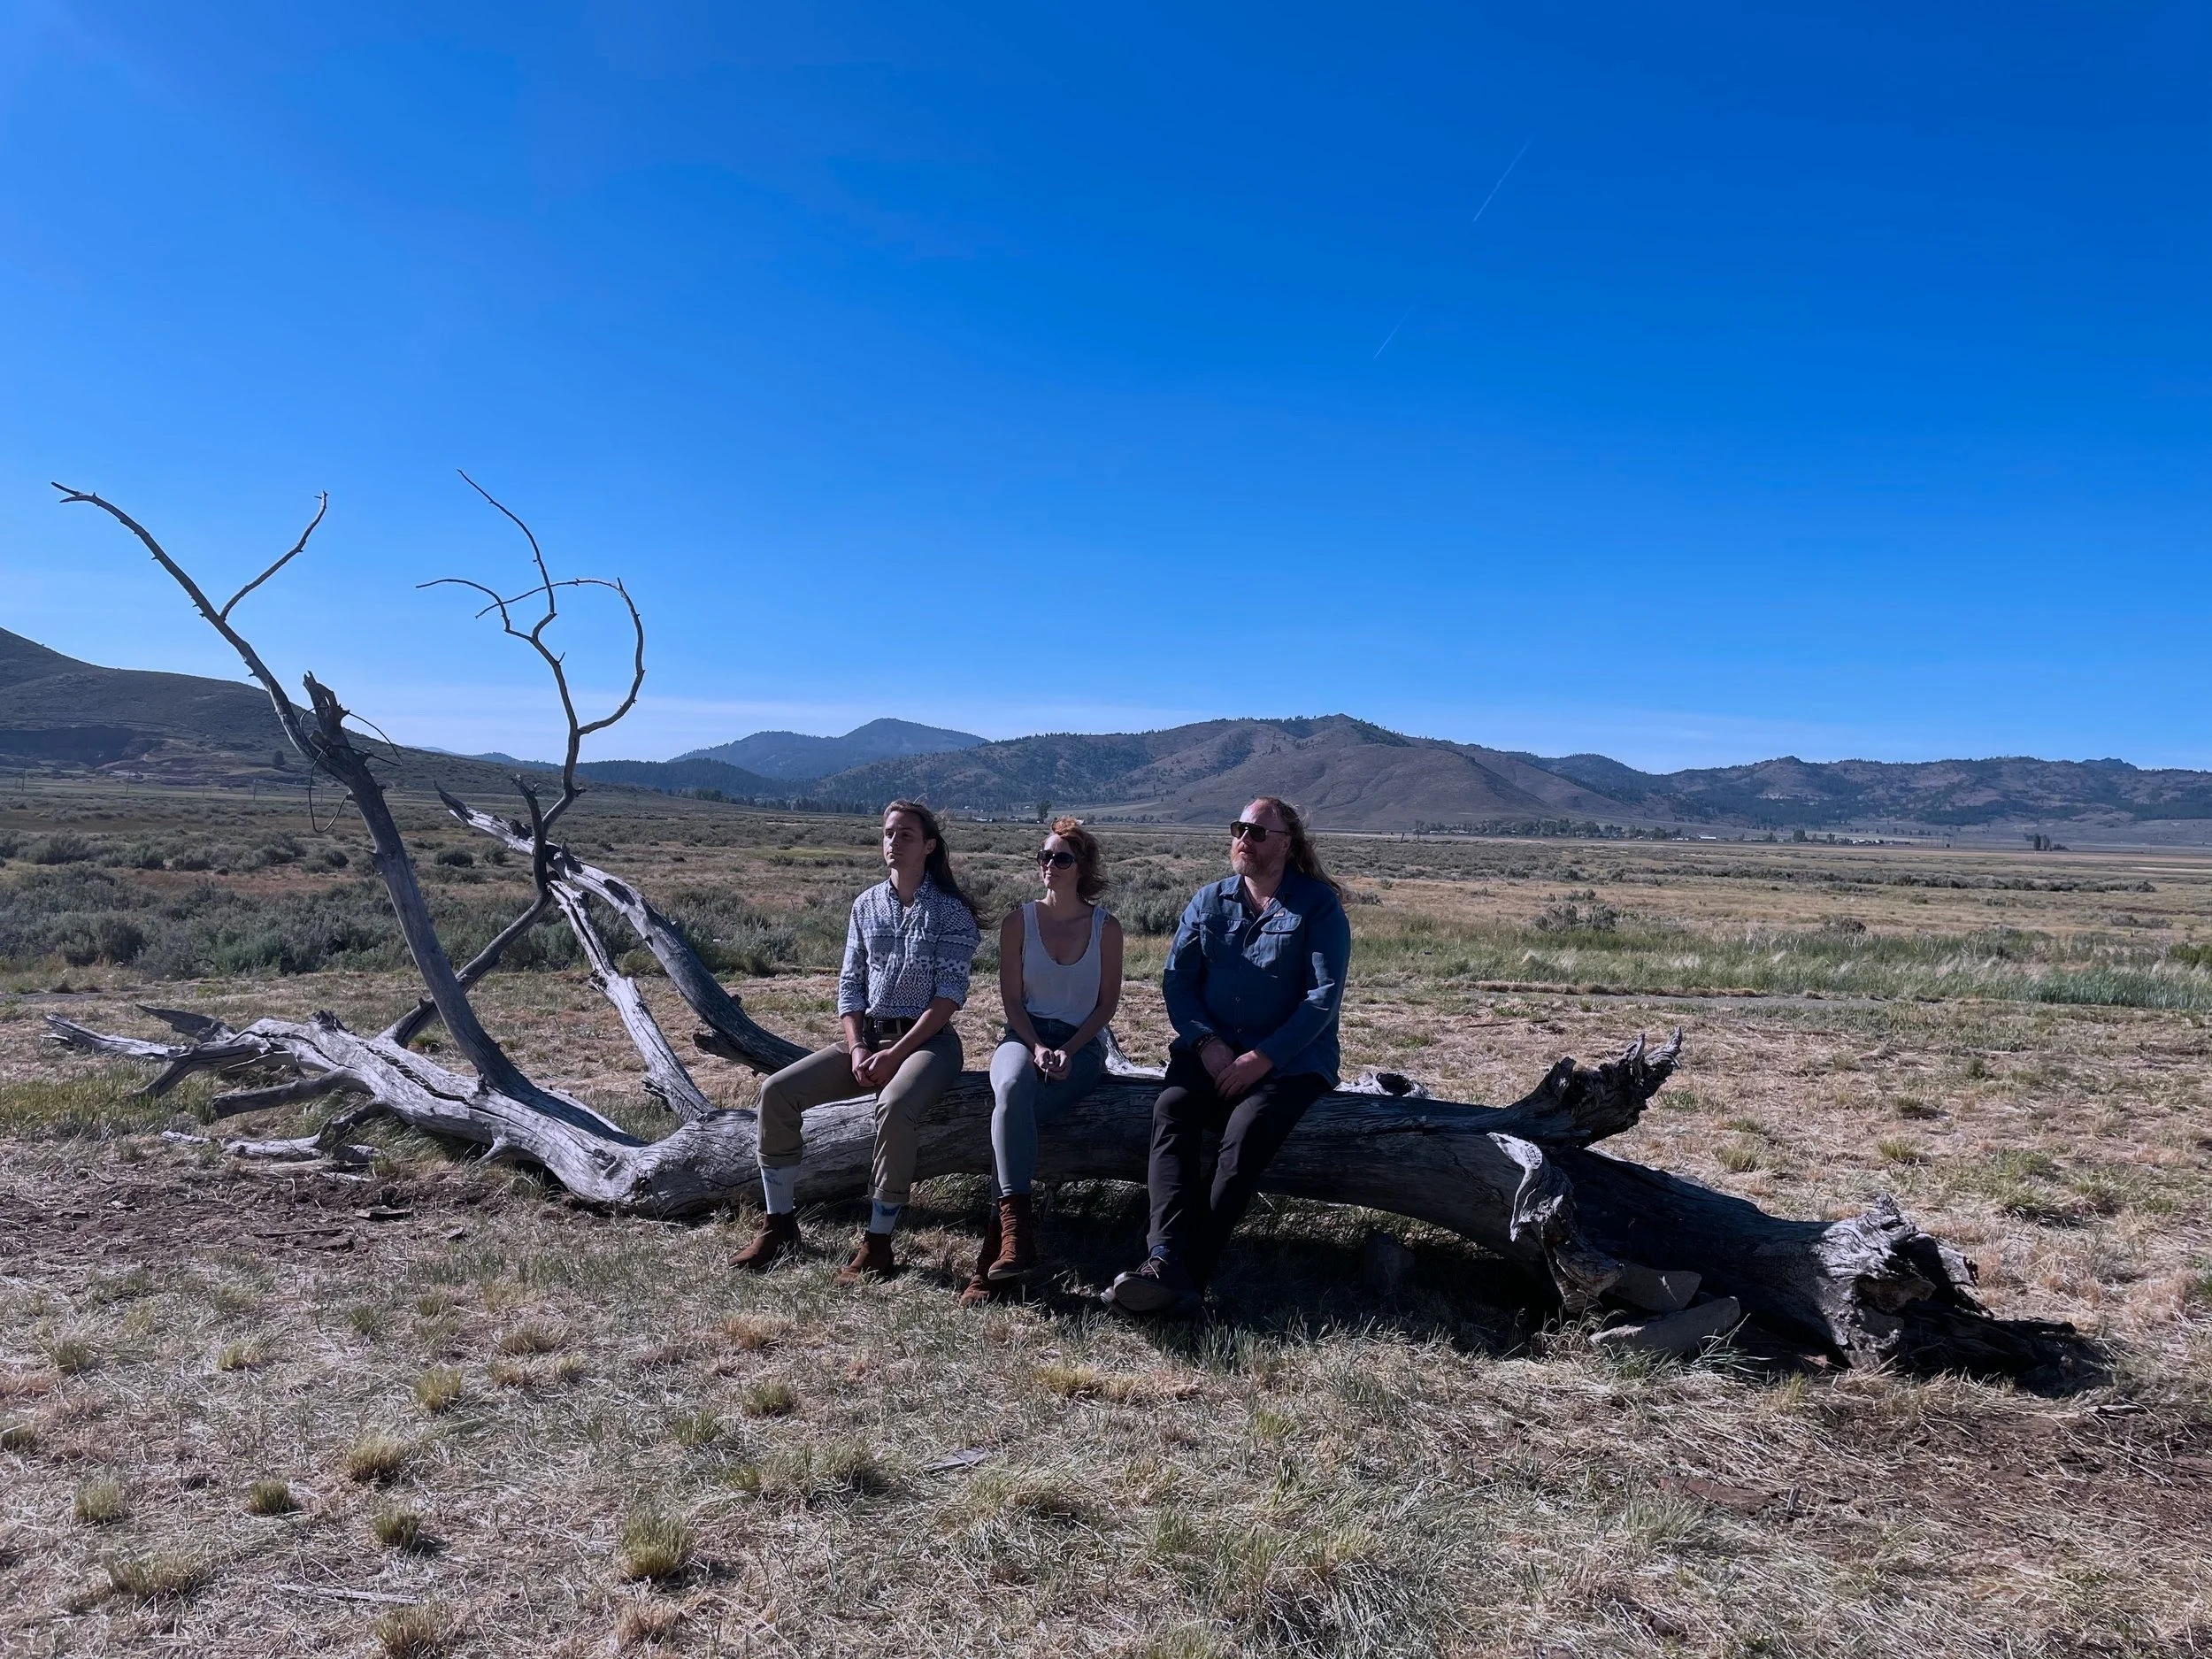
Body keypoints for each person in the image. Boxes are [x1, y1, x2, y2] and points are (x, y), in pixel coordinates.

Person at [1104, 796, 1349, 1317]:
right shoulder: (1209, 901)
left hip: (1293, 1060)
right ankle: (1164, 1255)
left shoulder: (1317, 906)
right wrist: (1204, 1043)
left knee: (1245, 1131)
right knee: (1172, 1109)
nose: (1244, 840)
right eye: (1239, 828)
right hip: (1210, 1049)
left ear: (1286, 844)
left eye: (1258, 832)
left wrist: (1263, 1058)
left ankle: (1184, 1275)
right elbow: (1178, 983)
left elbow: (1322, 998)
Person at [732, 800, 981, 1283]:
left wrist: (895, 1054)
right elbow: (850, 984)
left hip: (928, 1044)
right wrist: (860, 1047)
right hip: (866, 1042)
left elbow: (949, 997)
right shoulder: (866, 905)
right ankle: (779, 1223)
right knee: (777, 1092)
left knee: (895, 1105)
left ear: (929, 846)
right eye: (889, 833)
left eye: (906, 835)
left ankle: (879, 1243)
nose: (894, 842)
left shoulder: (952, 913)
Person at [961, 817, 1124, 1305]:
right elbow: (1012, 1000)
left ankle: (995, 1254)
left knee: (1013, 1119)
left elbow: (1106, 1006)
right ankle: (1016, 1235)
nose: (1050, 865)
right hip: (1024, 1035)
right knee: (1011, 1091)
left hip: (1082, 1047)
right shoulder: (1019, 921)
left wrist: (1069, 1051)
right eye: (1044, 856)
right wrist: (1034, 1047)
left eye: (1061, 858)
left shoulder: (1106, 928)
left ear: (1082, 868)